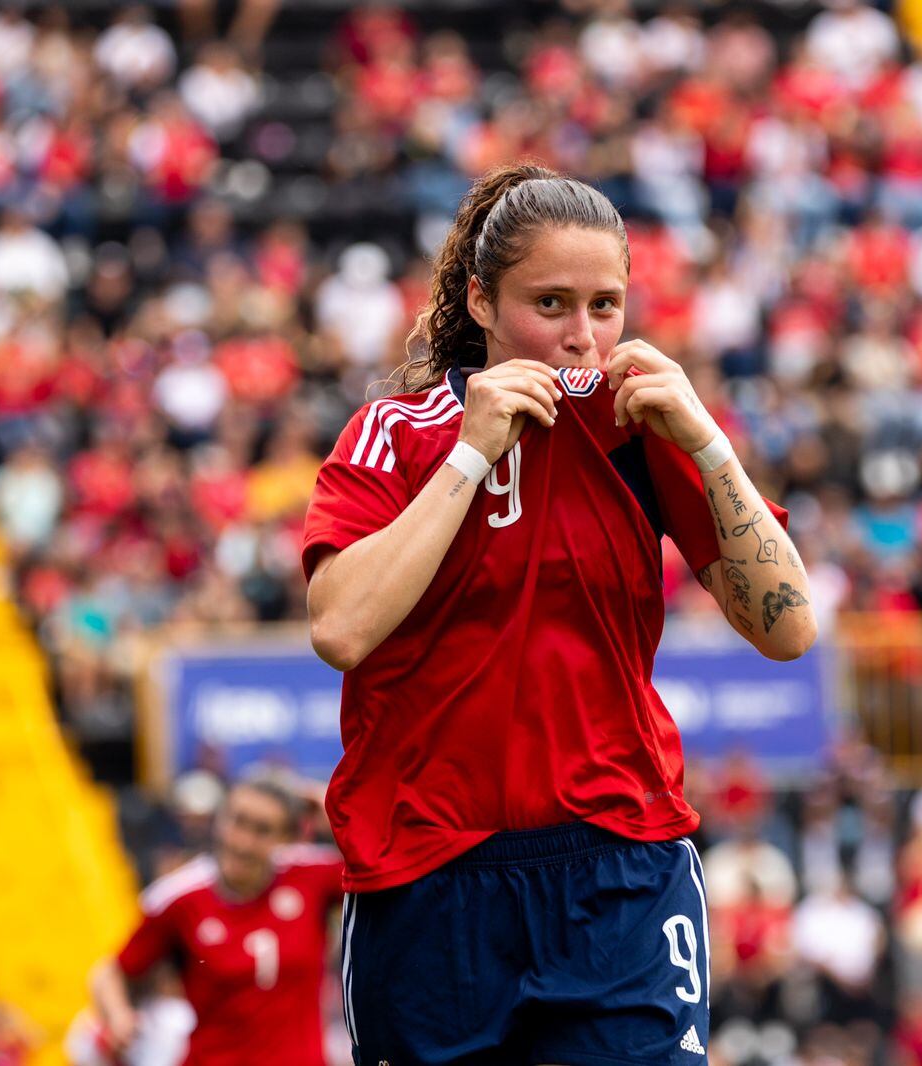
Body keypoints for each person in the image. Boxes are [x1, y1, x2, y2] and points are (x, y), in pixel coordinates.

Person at [301, 162, 817, 1062]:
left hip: (620, 869)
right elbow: (340, 629)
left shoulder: (639, 429)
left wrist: (706, 438)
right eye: (551, 305)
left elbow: (788, 627)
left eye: (606, 306)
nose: (583, 338)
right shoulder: (398, 432)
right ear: (483, 303)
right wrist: (470, 456)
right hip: (430, 881)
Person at [88, 769, 343, 1066]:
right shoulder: (180, 897)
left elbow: (376, 866)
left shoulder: (311, 877)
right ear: (219, 820)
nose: (243, 842)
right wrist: (119, 1018)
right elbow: (110, 973)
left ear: (287, 837)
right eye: (237, 822)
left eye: (262, 830)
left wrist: (332, 806)